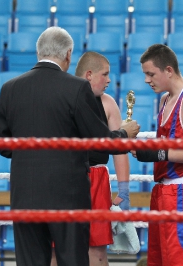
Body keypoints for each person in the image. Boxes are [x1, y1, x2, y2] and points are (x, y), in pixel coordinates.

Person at [0, 26, 140, 266]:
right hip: (68, 197)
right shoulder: (76, 87)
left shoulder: (10, 88)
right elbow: (100, 141)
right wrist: (125, 133)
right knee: (72, 260)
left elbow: (4, 146)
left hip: (25, 195)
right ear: (68, 54)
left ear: (38, 51)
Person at [131, 44, 183, 266]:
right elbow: (169, 145)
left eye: (151, 74)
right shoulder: (165, 99)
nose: (147, 80)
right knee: (162, 260)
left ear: (168, 70)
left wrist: (158, 153)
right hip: (165, 190)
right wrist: (142, 149)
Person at [50, 51, 133, 266]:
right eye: (104, 74)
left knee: (96, 250)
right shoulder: (61, 96)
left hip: (96, 178)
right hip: (63, 176)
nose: (109, 80)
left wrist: (123, 189)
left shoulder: (107, 103)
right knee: (55, 248)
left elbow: (120, 149)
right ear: (89, 75)